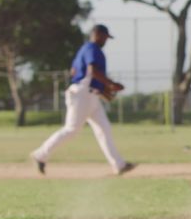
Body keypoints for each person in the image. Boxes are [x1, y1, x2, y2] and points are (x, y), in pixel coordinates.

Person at [31, 24, 135, 176]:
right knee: (72, 129)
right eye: (105, 36)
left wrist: (104, 91)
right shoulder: (92, 48)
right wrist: (111, 84)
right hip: (82, 94)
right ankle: (40, 154)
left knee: (104, 129)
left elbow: (75, 71)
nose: (106, 40)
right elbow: (92, 72)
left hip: (90, 95)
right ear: (97, 34)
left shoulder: (84, 50)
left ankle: (119, 165)